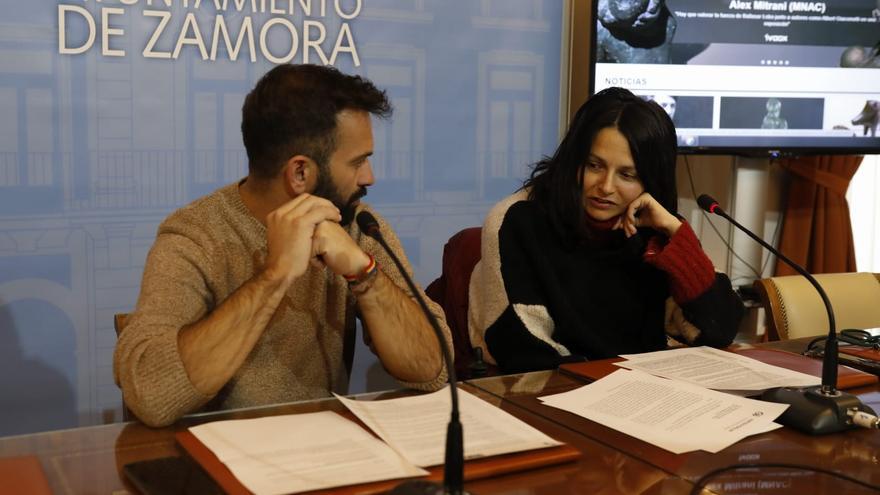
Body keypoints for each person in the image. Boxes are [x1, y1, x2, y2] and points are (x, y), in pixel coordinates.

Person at [114, 64, 451, 427]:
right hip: (220, 467)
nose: (370, 177)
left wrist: (364, 273)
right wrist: (274, 277)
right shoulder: (195, 236)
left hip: (328, 456)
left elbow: (434, 367)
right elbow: (150, 395)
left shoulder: (356, 225)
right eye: (359, 161)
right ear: (300, 173)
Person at [468, 87, 744, 373]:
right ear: (573, 160)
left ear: (651, 179)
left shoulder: (653, 227)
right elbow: (522, 347)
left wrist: (675, 232)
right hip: (559, 394)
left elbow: (718, 329)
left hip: (643, 393)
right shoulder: (518, 219)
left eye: (627, 174)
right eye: (593, 165)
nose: (606, 187)